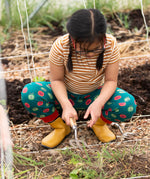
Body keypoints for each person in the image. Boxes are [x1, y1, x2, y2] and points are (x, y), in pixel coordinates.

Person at [21, 9, 137, 148]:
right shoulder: (60, 46)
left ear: (103, 39)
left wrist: (99, 103)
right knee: (30, 92)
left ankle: (99, 123)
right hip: (65, 95)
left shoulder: (111, 45)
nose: (89, 55)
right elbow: (56, 80)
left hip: (94, 95)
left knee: (128, 104)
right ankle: (61, 128)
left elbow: (111, 81)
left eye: (96, 49)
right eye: (84, 50)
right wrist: (66, 105)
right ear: (73, 40)